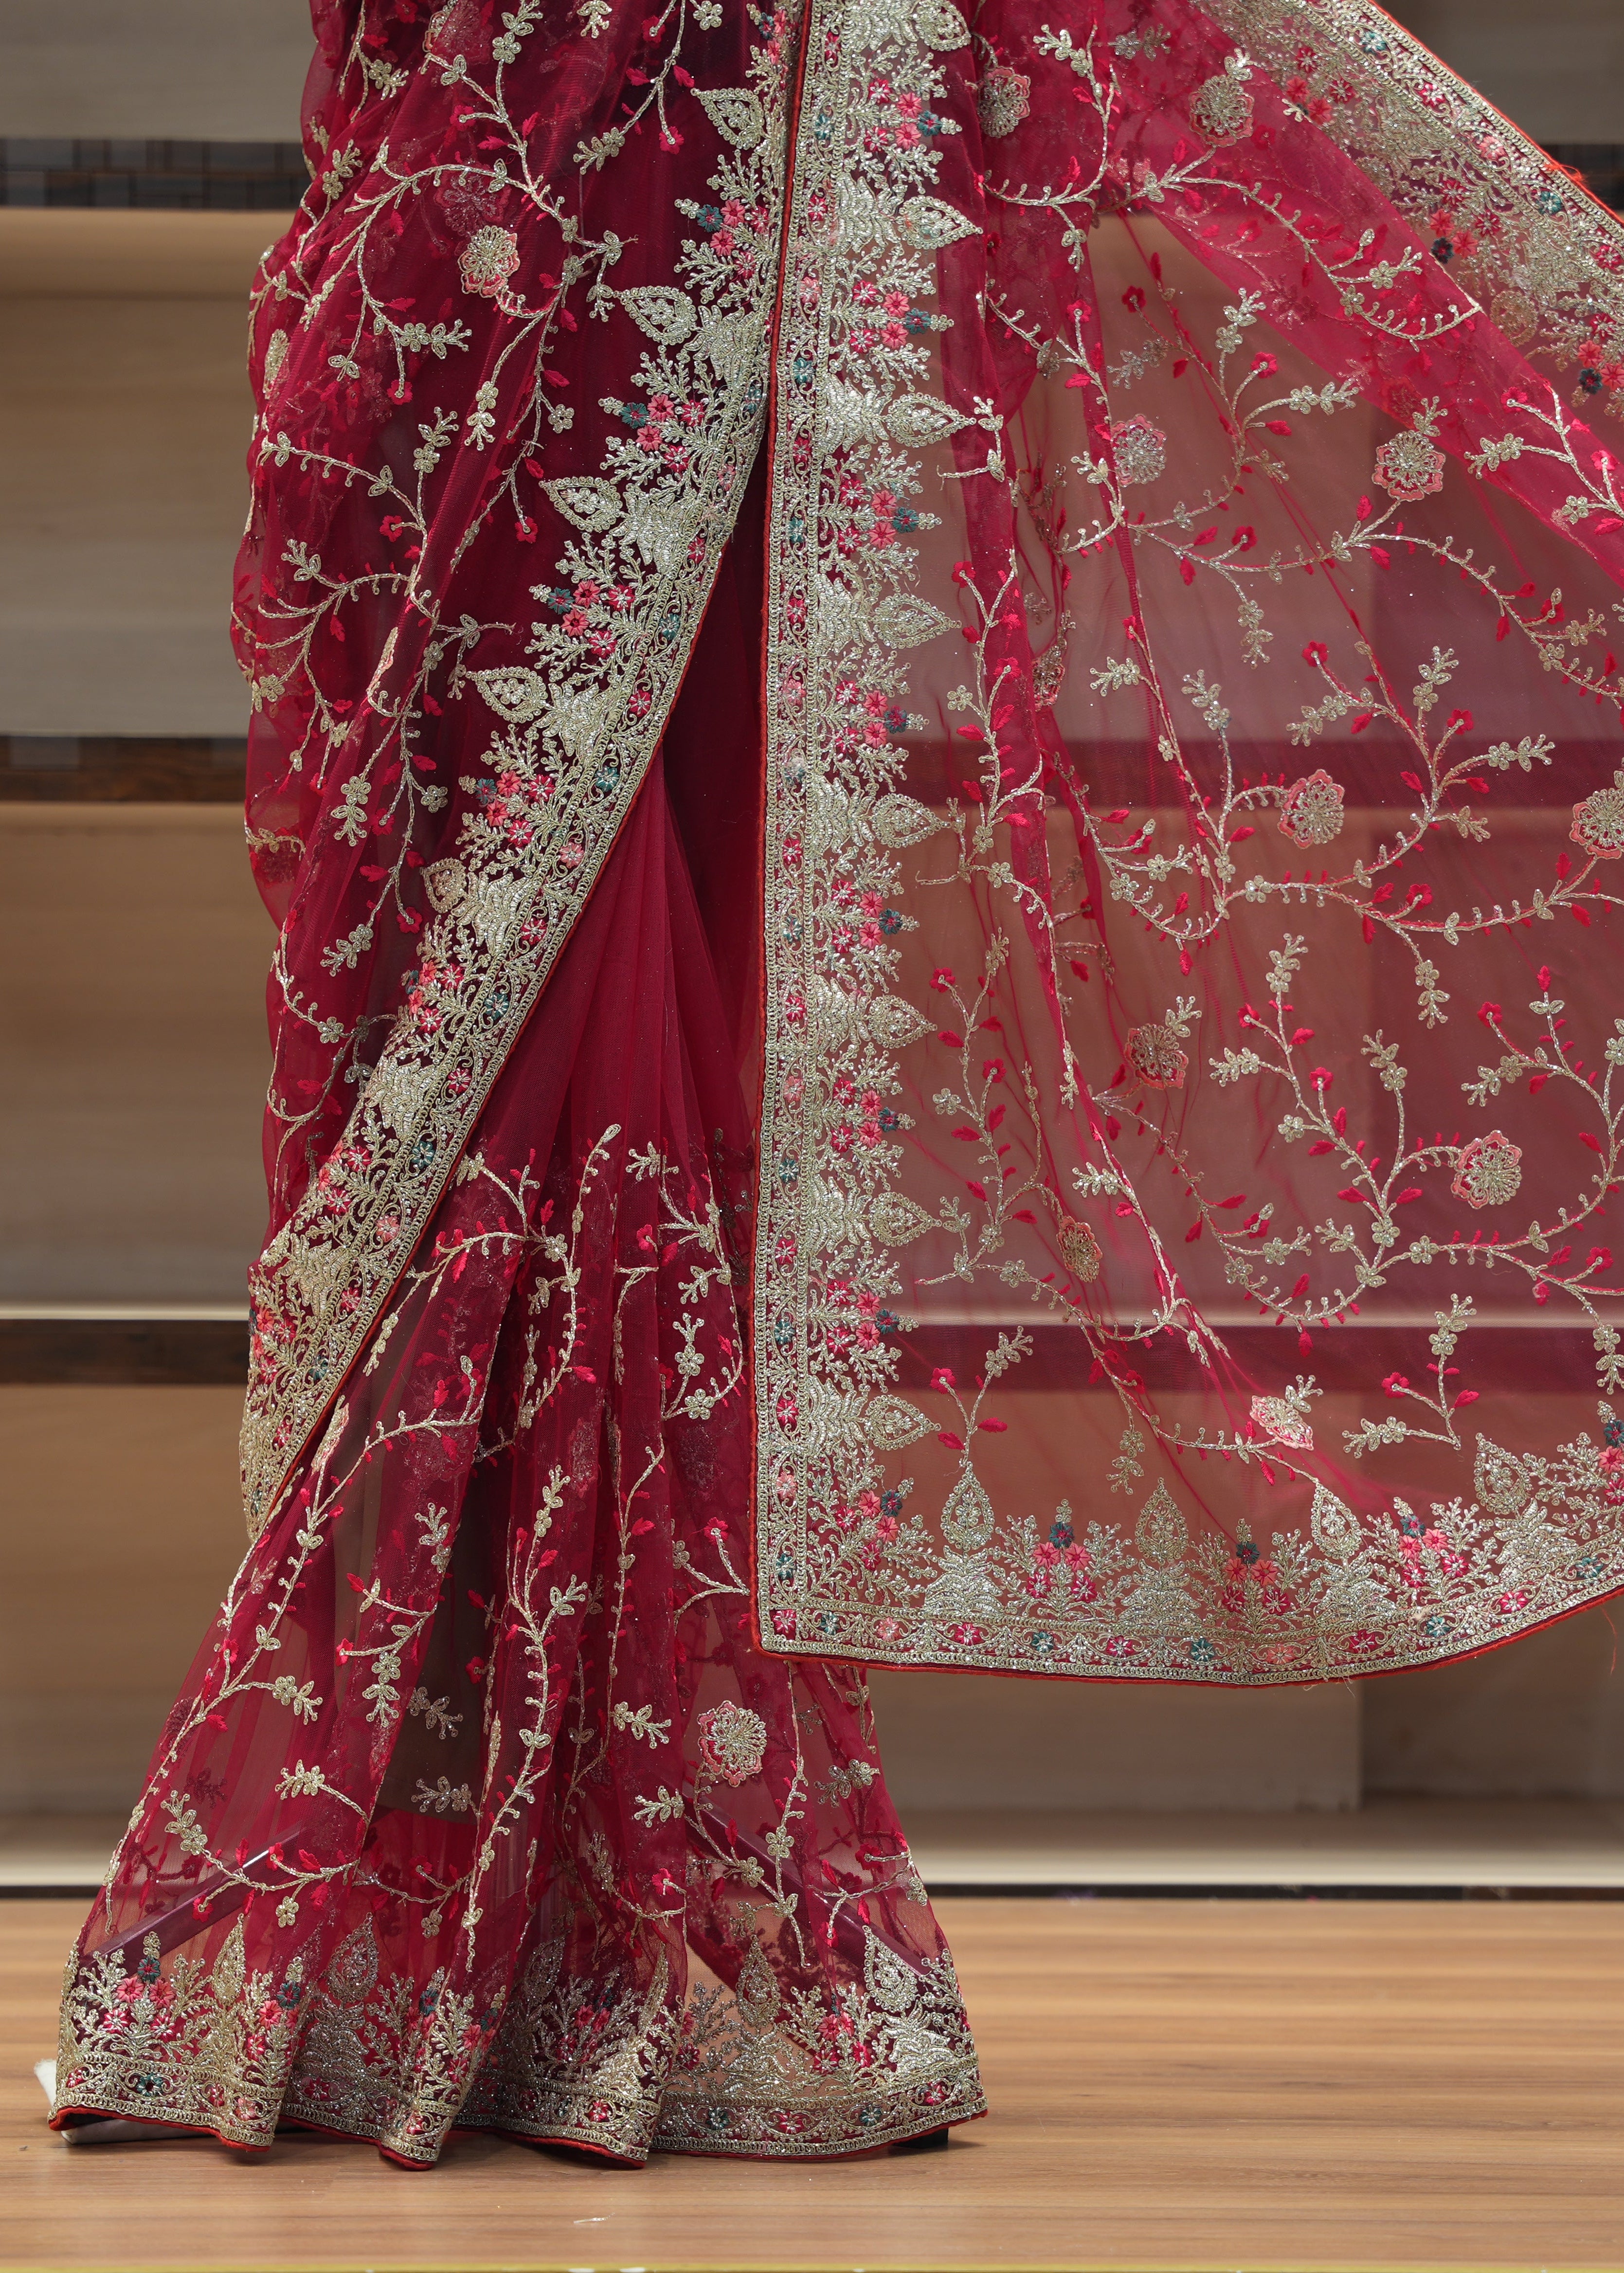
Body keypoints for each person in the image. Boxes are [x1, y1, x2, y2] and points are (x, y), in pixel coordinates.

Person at [51, 0, 1624, 2166]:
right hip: (444, 174)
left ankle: (608, 1925)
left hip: (665, 167)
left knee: (590, 992)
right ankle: (435, 1924)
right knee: (431, 999)